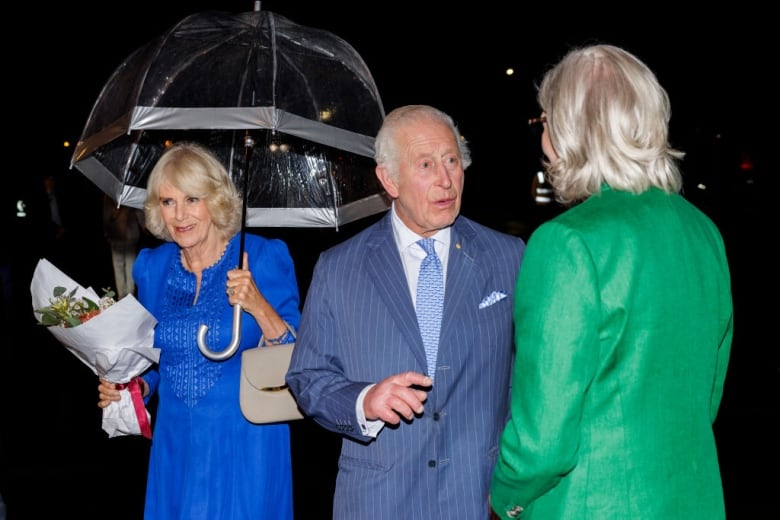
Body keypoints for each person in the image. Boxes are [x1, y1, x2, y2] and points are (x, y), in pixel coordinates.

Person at [489, 44, 734, 519]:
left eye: (544, 121)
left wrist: (504, 496)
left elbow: (544, 438)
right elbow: (706, 397)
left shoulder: (565, 244)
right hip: (693, 499)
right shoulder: (704, 233)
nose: (541, 138)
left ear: (569, 129)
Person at [286, 104, 526, 519]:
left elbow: (530, 374)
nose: (446, 179)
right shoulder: (339, 267)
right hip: (380, 499)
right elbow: (307, 377)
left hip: (480, 496)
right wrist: (363, 400)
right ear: (389, 179)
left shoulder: (509, 257)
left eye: (452, 160)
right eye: (427, 164)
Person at [96, 142, 301, 519]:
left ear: (216, 200)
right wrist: (137, 387)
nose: (179, 215)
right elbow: (152, 358)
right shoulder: (152, 268)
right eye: (168, 202)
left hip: (246, 444)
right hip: (177, 446)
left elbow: (300, 356)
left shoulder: (261, 257)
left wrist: (258, 303)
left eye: (192, 199)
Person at [102, 194, 146, 298]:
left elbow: (106, 216)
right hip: (120, 235)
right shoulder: (129, 193)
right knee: (123, 265)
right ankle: (125, 296)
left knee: (123, 266)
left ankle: (125, 295)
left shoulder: (110, 193)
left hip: (125, 235)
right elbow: (106, 216)